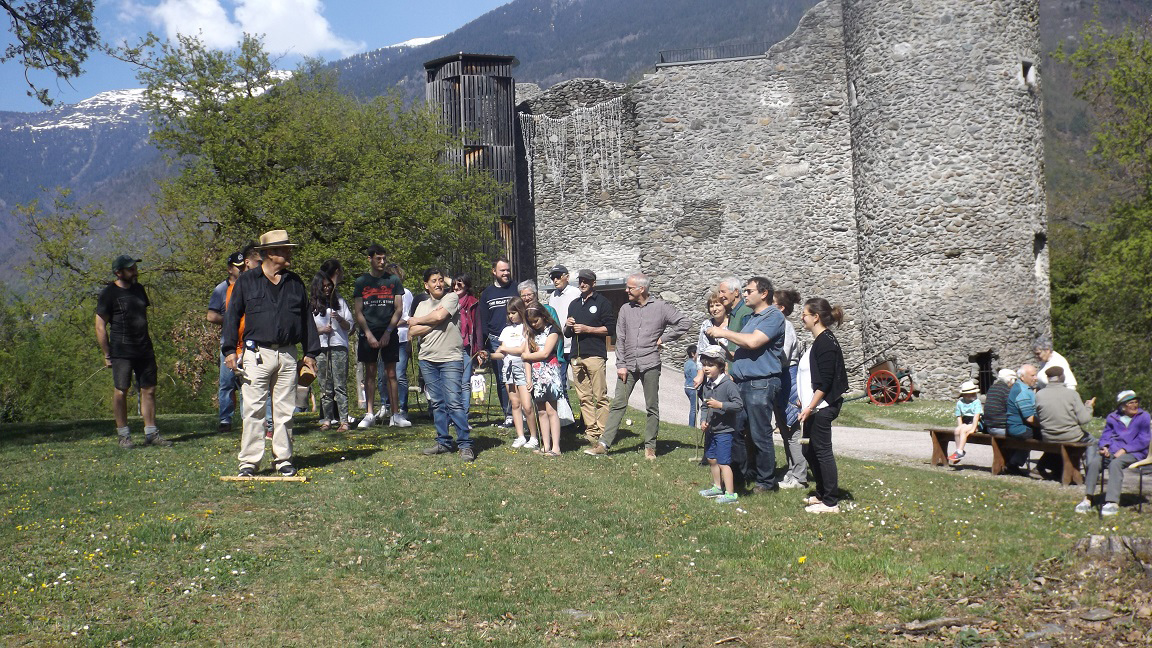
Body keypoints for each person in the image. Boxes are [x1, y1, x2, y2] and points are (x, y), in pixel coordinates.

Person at [222, 230, 320, 477]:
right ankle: (249, 463)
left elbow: (306, 319)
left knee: (285, 411)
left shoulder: (295, 282)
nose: (290, 254)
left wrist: (310, 353)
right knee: (253, 409)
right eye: (286, 250)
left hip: (287, 354)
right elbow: (232, 316)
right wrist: (229, 350)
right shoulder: (247, 281)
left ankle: (283, 459)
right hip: (256, 354)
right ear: (270, 254)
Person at [585, 273, 691, 459]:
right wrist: (621, 364)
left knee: (652, 406)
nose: (626, 290)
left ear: (641, 289)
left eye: (630, 288)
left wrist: (663, 339)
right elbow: (621, 338)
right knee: (618, 403)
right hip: (628, 366)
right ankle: (603, 444)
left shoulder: (661, 307)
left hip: (650, 363)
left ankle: (650, 446)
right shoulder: (626, 309)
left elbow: (685, 323)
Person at [706, 277, 787, 491]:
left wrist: (723, 332)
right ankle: (741, 476)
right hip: (743, 382)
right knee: (737, 431)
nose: (745, 294)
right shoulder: (752, 318)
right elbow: (742, 351)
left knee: (760, 434)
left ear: (764, 293)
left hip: (760, 383)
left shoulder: (773, 316)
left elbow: (753, 342)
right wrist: (723, 351)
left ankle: (766, 481)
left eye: (749, 291)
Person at [95, 254, 170, 448]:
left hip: (144, 348)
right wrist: (106, 353)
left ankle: (151, 433)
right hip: (121, 350)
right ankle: (124, 435)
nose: (135, 271)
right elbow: (100, 325)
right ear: (118, 273)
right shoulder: (108, 293)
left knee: (149, 389)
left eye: (135, 268)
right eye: (130, 269)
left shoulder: (139, 290)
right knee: (121, 391)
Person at [409, 268, 475, 461]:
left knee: (454, 402)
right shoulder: (421, 304)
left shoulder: (451, 298)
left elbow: (437, 317)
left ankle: (465, 445)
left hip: (450, 358)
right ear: (426, 285)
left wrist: (421, 321)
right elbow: (412, 331)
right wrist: (429, 322)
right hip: (427, 358)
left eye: (440, 280)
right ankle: (444, 441)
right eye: (433, 281)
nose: (438, 284)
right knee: (437, 403)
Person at [797, 297, 849, 513]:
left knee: (822, 451)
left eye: (805, 314)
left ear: (816, 317)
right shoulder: (819, 340)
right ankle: (820, 493)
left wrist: (810, 406)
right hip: (812, 406)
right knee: (809, 450)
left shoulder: (826, 343)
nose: (802, 317)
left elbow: (826, 382)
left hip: (822, 406)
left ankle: (830, 501)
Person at [352, 244, 410, 428]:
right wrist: (368, 334)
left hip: (389, 332)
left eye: (384, 258)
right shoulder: (362, 282)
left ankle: (395, 414)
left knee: (391, 373)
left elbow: (398, 309)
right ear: (370, 259)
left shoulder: (393, 280)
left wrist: (388, 332)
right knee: (370, 373)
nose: (382, 262)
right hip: (368, 333)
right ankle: (369, 413)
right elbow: (358, 311)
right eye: (378, 258)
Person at [1075, 391, 1150, 516]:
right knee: (1095, 462)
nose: (1135, 405)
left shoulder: (1144, 416)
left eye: (1136, 402)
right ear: (1123, 406)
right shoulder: (1112, 417)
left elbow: (1144, 439)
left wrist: (1125, 450)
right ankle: (1088, 498)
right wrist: (1104, 447)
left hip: (1136, 452)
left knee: (1116, 464)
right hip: (1114, 450)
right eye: (1131, 403)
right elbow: (1106, 436)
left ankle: (1112, 501)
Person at [565, 269, 616, 443]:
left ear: (594, 283)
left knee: (600, 396)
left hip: (595, 355)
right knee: (583, 397)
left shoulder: (602, 303)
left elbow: (610, 329)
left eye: (586, 281)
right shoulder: (574, 304)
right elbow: (567, 334)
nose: (582, 283)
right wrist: (567, 326)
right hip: (576, 356)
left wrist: (588, 329)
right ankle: (591, 431)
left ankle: (603, 432)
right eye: (580, 280)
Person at [696, 345, 743, 504]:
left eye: (710, 365)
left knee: (724, 462)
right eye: (704, 365)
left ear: (721, 366)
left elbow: (738, 405)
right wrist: (703, 420)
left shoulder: (729, 385)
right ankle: (717, 487)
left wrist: (721, 405)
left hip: (724, 431)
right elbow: (705, 405)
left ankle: (730, 494)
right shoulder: (708, 384)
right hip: (711, 430)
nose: (706, 368)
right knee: (712, 459)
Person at [491, 298, 539, 449]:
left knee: (527, 405)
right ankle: (520, 436)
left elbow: (521, 350)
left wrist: (504, 350)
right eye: (509, 313)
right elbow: (500, 353)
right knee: (515, 403)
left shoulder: (526, 328)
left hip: (523, 369)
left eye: (513, 313)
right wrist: (487, 355)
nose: (511, 316)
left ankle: (533, 436)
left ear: (520, 311)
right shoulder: (506, 330)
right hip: (508, 369)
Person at [207, 251, 246, 433]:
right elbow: (211, 315)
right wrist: (231, 319)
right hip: (228, 343)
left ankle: (248, 419)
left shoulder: (250, 285)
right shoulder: (221, 289)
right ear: (230, 269)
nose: (242, 270)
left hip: (248, 344)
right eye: (238, 268)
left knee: (248, 384)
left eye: (244, 266)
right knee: (227, 384)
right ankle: (225, 420)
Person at [478, 257, 518, 427]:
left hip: (517, 337)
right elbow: (483, 321)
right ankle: (508, 414)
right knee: (503, 379)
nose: (506, 273)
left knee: (521, 377)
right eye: (502, 270)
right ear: (494, 272)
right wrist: (485, 345)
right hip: (496, 341)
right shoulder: (487, 294)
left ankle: (523, 411)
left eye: (507, 270)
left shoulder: (517, 288)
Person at [773, 288, 806, 489]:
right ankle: (792, 470)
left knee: (792, 428)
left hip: (788, 375)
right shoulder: (778, 324)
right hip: (780, 376)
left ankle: (800, 476)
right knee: (784, 428)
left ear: (781, 307)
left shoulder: (786, 326)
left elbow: (783, 355)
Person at [311, 272, 352, 432]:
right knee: (325, 386)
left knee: (339, 385)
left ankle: (344, 421)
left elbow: (350, 326)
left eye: (329, 286)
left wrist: (340, 319)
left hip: (338, 346)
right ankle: (327, 419)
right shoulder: (313, 305)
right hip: (321, 348)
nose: (327, 289)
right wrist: (322, 330)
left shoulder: (340, 302)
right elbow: (308, 329)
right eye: (324, 286)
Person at [522, 305, 564, 456]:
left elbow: (545, 353)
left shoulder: (553, 330)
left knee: (552, 410)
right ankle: (546, 446)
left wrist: (526, 356)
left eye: (536, 320)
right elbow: (525, 357)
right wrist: (528, 379)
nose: (534, 324)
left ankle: (556, 447)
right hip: (536, 375)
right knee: (541, 411)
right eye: (530, 322)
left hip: (551, 373)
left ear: (543, 316)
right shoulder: (530, 333)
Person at [376, 262, 413, 421]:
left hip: (401, 338)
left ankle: (402, 408)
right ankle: (386, 405)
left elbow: (408, 318)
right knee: (382, 375)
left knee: (399, 375)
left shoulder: (406, 293)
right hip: (384, 338)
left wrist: (391, 325)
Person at [1035, 366, 1095, 443]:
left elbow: (1039, 416)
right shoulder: (1072, 394)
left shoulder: (1039, 395)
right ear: (1061, 377)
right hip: (1071, 437)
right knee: (1092, 440)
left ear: (1048, 378)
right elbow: (1084, 419)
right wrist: (1089, 407)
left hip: (1049, 437)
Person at [545, 265, 581, 391]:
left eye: (558, 277)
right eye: (553, 278)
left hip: (573, 344)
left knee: (581, 384)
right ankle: (565, 411)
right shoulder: (553, 296)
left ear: (567, 277)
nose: (555, 280)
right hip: (559, 345)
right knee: (560, 383)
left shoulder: (575, 293)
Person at [454, 275, 482, 423]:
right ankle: (453, 416)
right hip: (450, 347)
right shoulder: (449, 301)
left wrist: (479, 349)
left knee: (465, 383)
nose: (456, 288)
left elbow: (477, 327)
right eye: (454, 285)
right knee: (453, 383)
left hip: (466, 347)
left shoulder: (473, 303)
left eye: (460, 285)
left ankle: (463, 417)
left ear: (467, 286)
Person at [1005, 364, 1040, 473]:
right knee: (1052, 436)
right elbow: (1029, 418)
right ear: (1022, 377)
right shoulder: (1022, 391)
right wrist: (1045, 425)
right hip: (1019, 428)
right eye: (1032, 375)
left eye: (1036, 375)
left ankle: (1014, 463)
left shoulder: (1020, 387)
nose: (1036, 378)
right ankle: (1042, 466)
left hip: (1015, 426)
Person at [947, 380, 983, 465]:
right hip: (966, 422)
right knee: (957, 430)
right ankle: (959, 450)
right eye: (971, 394)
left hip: (976, 423)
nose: (974, 395)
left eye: (974, 393)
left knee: (963, 431)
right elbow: (959, 416)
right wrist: (960, 426)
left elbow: (976, 416)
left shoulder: (976, 402)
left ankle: (959, 451)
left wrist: (973, 429)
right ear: (965, 395)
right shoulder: (960, 403)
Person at [982, 368, 1017, 437]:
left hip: (989, 426)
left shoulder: (992, 388)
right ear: (1010, 380)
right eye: (1015, 380)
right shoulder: (1006, 390)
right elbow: (1012, 408)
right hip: (1000, 427)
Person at [683, 345, 699, 428]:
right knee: (694, 408)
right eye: (697, 352)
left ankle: (692, 425)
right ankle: (691, 426)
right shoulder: (693, 365)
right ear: (693, 354)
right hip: (692, 388)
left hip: (687, 387)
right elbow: (695, 377)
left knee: (695, 407)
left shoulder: (687, 363)